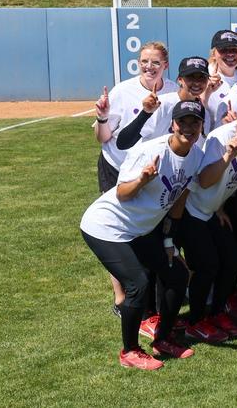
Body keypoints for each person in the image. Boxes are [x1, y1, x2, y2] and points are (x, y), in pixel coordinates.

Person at [80, 100, 206, 369]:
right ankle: (130, 351)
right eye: (182, 121)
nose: (188, 127)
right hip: (107, 227)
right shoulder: (149, 152)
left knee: (177, 273)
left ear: (201, 126)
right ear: (172, 124)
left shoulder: (195, 156)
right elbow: (123, 194)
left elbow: (180, 197)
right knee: (138, 283)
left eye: (194, 122)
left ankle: (163, 339)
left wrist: (169, 241)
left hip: (141, 229)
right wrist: (143, 180)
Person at [92, 41, 178, 315]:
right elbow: (103, 139)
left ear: (165, 64)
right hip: (116, 167)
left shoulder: (174, 91)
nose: (149, 67)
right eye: (144, 61)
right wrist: (102, 118)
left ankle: (148, 288)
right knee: (118, 230)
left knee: (145, 228)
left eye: (155, 62)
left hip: (151, 172)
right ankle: (121, 297)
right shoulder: (123, 91)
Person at [181, 89, 237, 342]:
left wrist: (220, 206)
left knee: (233, 259)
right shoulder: (222, 136)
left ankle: (217, 313)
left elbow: (235, 180)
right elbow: (204, 179)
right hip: (192, 211)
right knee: (208, 267)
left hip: (212, 211)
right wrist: (228, 155)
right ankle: (195, 321)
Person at [116, 56, 218, 149]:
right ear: (180, 80)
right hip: (154, 166)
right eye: (191, 77)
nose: (197, 82)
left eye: (201, 77)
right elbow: (123, 143)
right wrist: (145, 113)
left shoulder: (204, 113)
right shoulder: (162, 104)